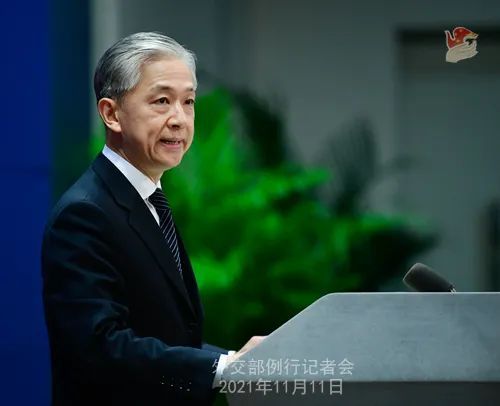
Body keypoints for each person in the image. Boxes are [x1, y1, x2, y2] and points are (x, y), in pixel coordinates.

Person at [41, 32, 264, 405]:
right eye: (162, 101)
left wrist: (238, 360)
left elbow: (170, 337)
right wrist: (223, 367)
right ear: (111, 114)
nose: (179, 119)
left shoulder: (148, 199)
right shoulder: (85, 214)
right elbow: (100, 347)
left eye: (188, 101)